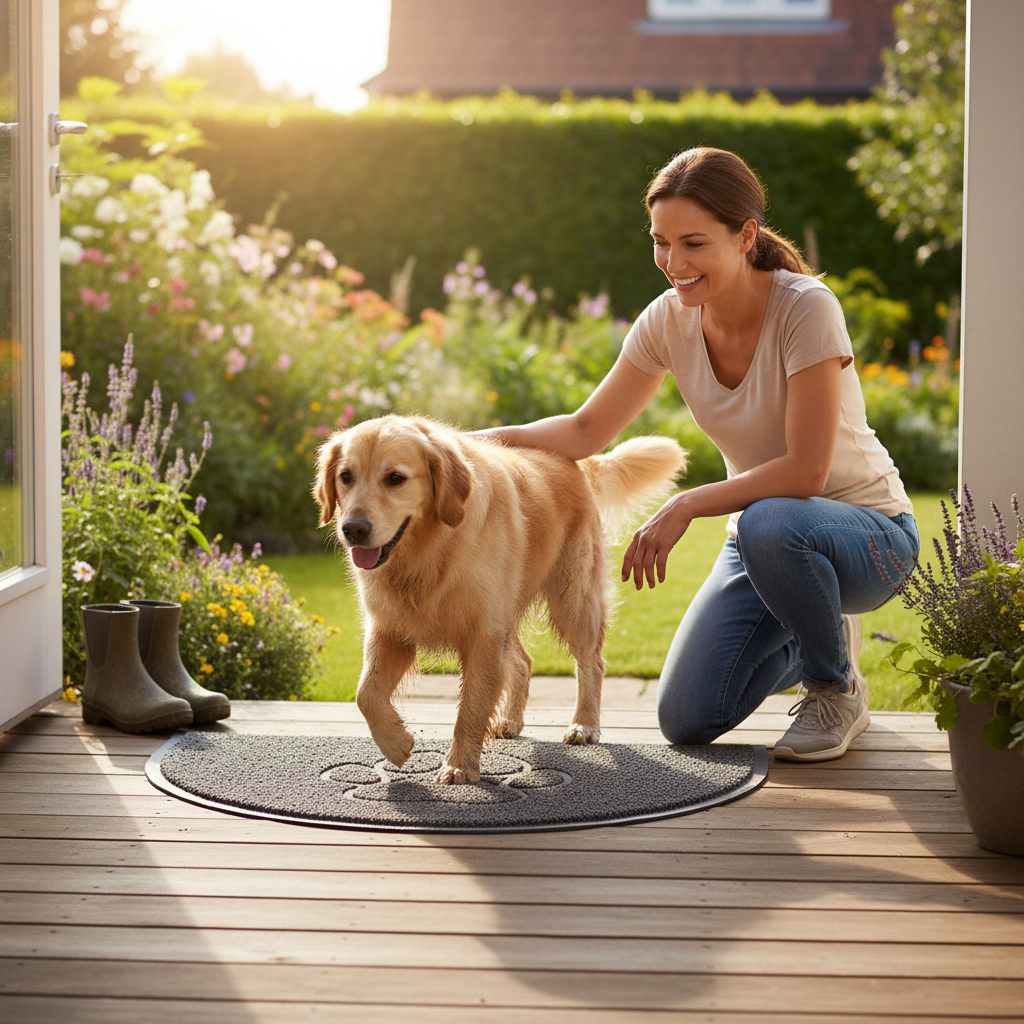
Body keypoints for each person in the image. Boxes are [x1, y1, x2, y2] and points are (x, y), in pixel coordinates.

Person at [477, 146, 919, 762]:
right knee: (686, 718)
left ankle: (834, 685)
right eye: (660, 242)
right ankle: (817, 628)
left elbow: (806, 471)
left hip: (870, 537)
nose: (672, 262)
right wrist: (468, 445)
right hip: (768, 546)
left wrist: (688, 504)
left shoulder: (806, 309)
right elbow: (585, 431)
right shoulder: (667, 320)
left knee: (770, 520)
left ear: (745, 236)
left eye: (693, 243)